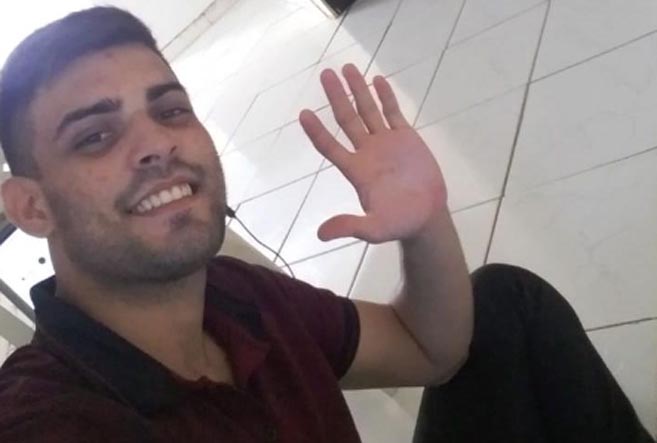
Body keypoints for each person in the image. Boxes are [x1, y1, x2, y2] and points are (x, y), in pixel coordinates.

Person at [0, 7, 651, 443]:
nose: (156, 144)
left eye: (169, 110)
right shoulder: (52, 416)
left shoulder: (236, 294)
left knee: (504, 301)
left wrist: (425, 221)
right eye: (95, 135)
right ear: (31, 206)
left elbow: (431, 348)